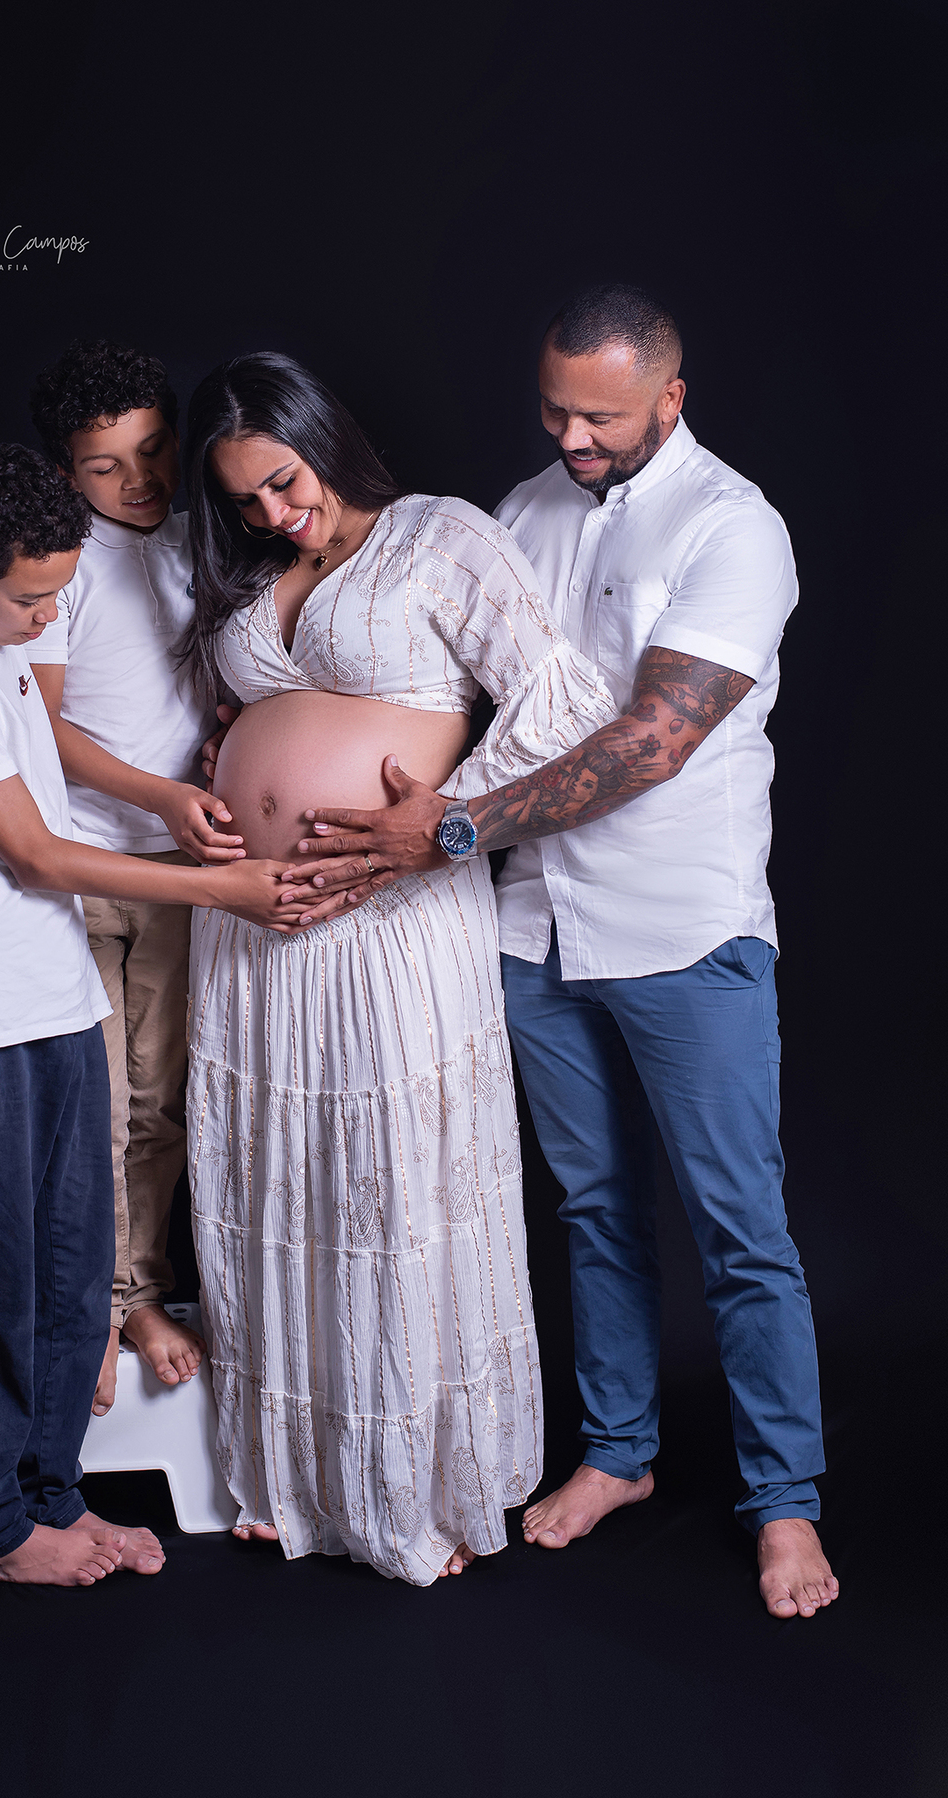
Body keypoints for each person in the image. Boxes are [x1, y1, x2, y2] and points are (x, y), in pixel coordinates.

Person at [285, 286, 840, 1621]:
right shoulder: (521, 514)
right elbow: (458, 688)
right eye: (554, 410)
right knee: (592, 1209)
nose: (573, 436)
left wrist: (453, 826)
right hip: (533, 925)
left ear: (671, 399)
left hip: (681, 927)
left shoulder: (735, 527)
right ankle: (620, 1453)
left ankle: (785, 1502)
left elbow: (656, 738)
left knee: (740, 1231)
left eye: (602, 416)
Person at [181, 352, 618, 1586]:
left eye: (283, 480)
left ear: (323, 436)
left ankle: (422, 1484)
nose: (273, 513)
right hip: (254, 929)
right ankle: (298, 1476)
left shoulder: (439, 536)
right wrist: (220, 772)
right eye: (244, 499)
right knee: (277, 1180)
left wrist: (449, 818)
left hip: (393, 919)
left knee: (394, 1186)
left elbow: (561, 701)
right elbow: (234, 719)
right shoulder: (247, 571)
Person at [0, 444, 312, 1586]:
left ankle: (52, 1494)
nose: (46, 620)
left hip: (57, 993)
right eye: (29, 599)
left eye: (57, 595)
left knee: (73, 1264)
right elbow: (32, 852)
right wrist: (222, 887)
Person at [29, 340, 241, 1414]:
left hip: (177, 874)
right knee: (95, 1107)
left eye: (153, 450)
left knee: (161, 1102)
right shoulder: (60, 560)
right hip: (75, 866)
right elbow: (42, 724)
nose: (138, 480)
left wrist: (225, 743)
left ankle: (140, 1294)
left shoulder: (206, 537)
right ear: (67, 473)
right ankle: (94, 1309)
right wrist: (157, 794)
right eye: (105, 465)